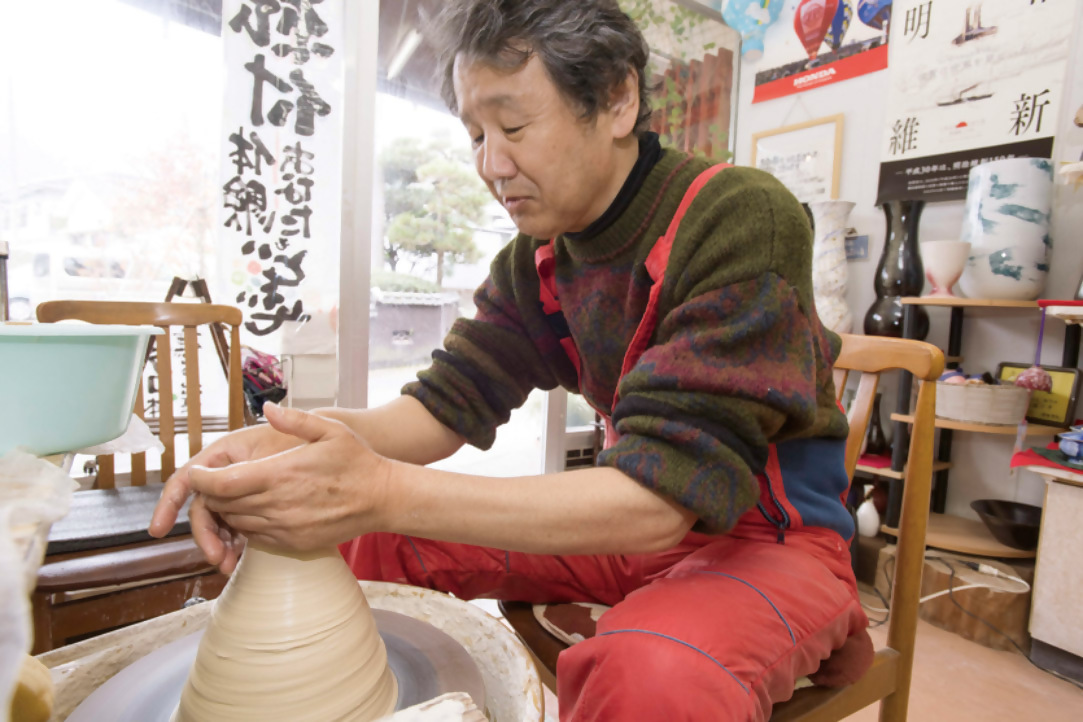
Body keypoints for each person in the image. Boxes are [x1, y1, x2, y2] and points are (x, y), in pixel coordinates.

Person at [150, 1, 872, 719]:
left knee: (648, 675)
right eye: (473, 134)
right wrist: (282, 446)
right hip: (636, 535)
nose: (491, 166)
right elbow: (438, 409)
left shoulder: (736, 215)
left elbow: (659, 503)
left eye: (515, 126)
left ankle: (790, 624)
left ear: (617, 99)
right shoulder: (536, 262)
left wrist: (382, 488)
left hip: (765, 540)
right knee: (358, 535)